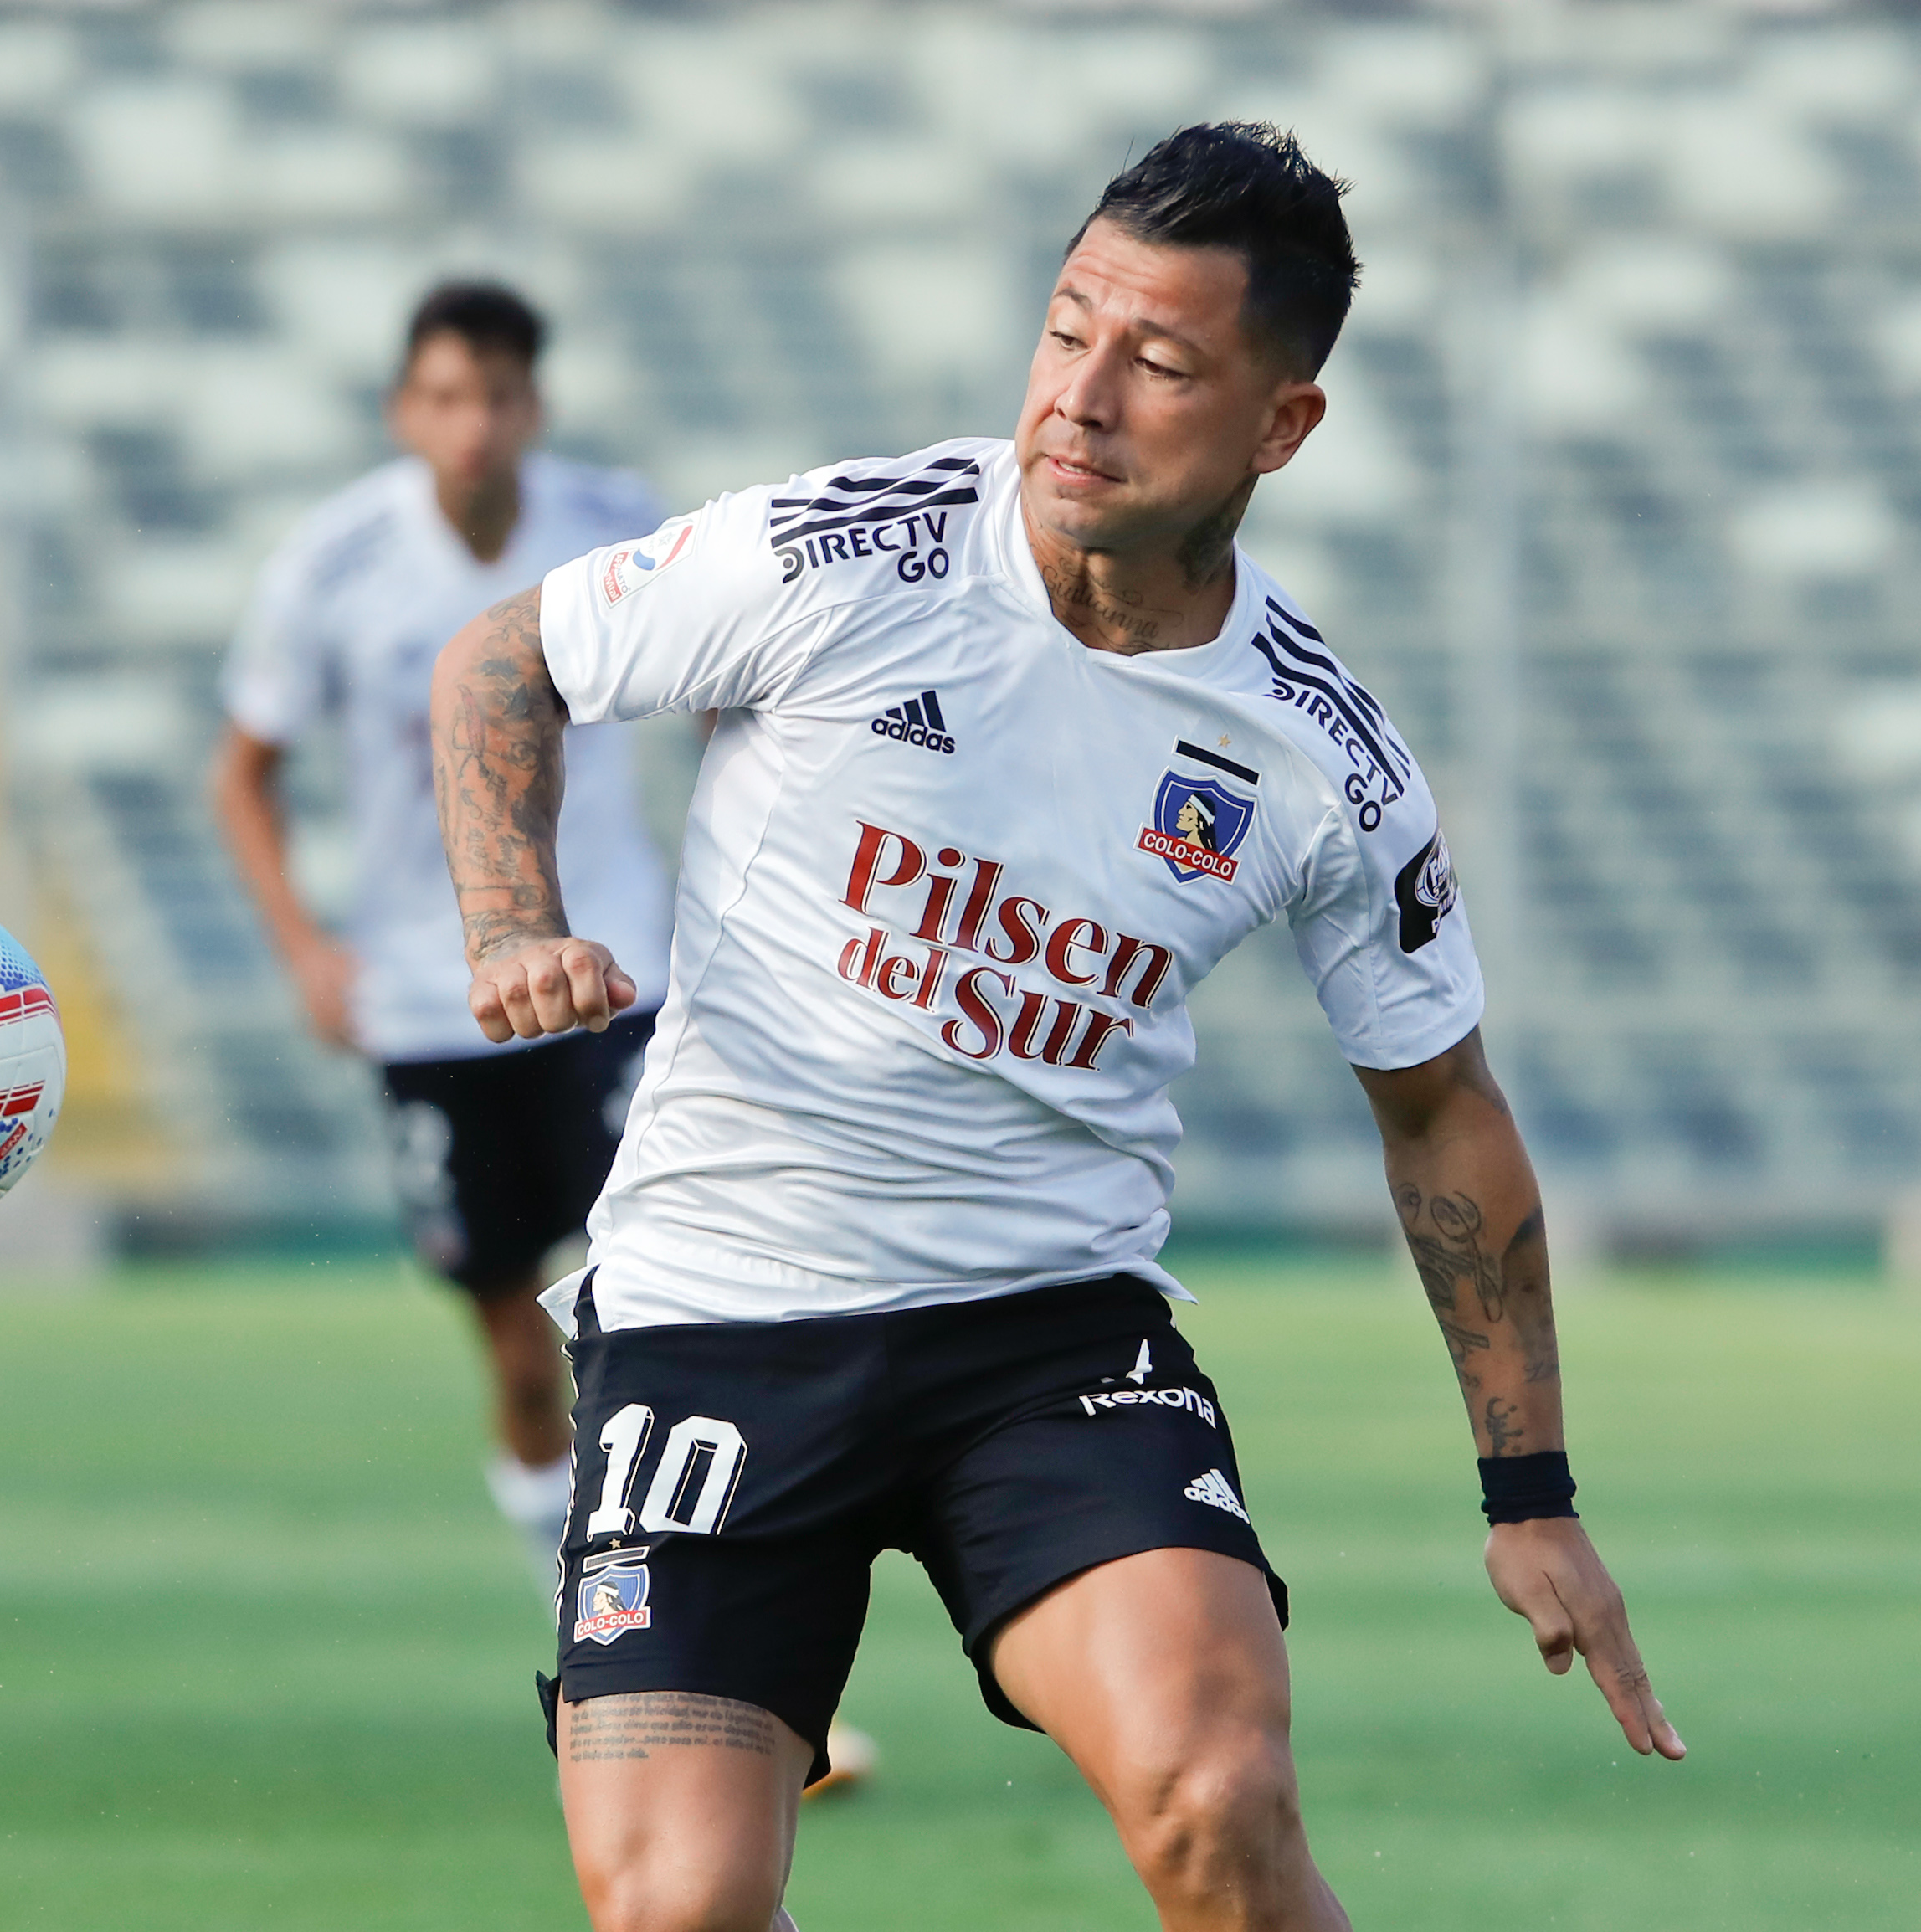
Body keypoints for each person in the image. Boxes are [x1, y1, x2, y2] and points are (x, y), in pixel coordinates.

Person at [429, 125, 1684, 1932]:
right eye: (1066, 328)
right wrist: (511, 921)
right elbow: (505, 657)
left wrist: (1531, 1489)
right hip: (718, 1316)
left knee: (1222, 1797)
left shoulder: (1322, 756)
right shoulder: (848, 552)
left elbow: (1441, 1110)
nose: (1080, 396)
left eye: (1160, 361)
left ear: (1282, 427)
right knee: (678, 1908)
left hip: (1045, 1341)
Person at [214, 282, 676, 1583]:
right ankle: (576, 1604)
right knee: (520, 1350)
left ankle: (685, 1623)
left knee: (659, 1301)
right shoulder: (335, 561)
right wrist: (308, 951)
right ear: (401, 410)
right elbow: (240, 769)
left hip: (615, 973)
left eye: (494, 397)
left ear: (534, 406)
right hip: (434, 1000)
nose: (471, 426)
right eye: (443, 398)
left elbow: (727, 709)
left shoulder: (615, 530)